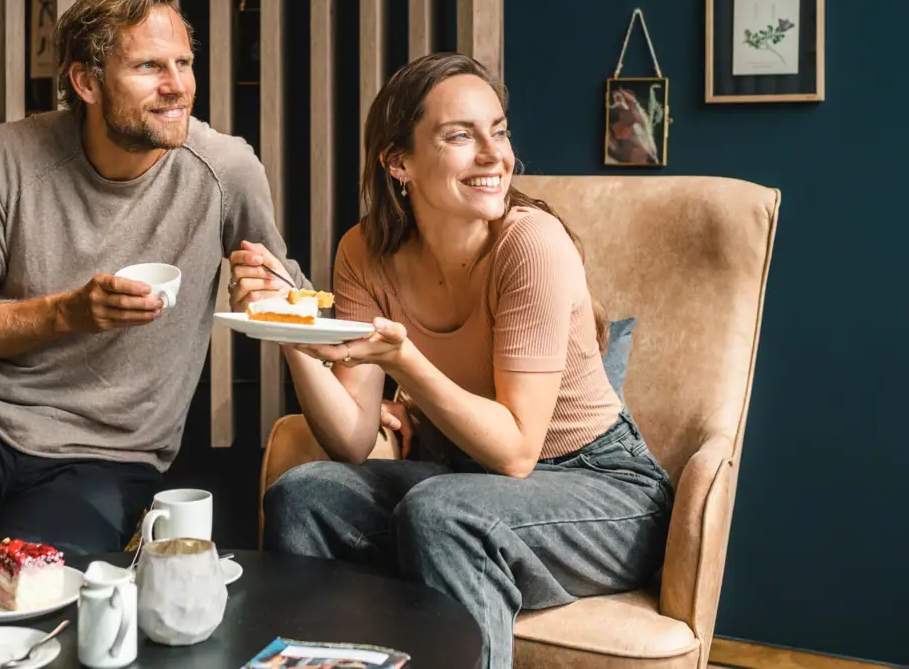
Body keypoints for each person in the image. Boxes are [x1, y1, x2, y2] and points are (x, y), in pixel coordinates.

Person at [0, 0, 306, 669]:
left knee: (26, 623)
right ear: (84, 81)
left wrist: (272, 288)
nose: (177, 85)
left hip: (108, 458)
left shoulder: (225, 168)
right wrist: (68, 313)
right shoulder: (11, 156)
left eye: (184, 64)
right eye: (148, 67)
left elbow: (288, 292)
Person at [229, 53, 673, 669]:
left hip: (604, 490)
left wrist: (405, 363)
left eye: (499, 130)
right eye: (460, 136)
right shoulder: (364, 251)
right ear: (398, 162)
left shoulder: (530, 244)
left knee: (442, 513)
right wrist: (285, 328)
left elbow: (518, 451)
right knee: (303, 494)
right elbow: (352, 440)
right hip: (473, 483)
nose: (494, 155)